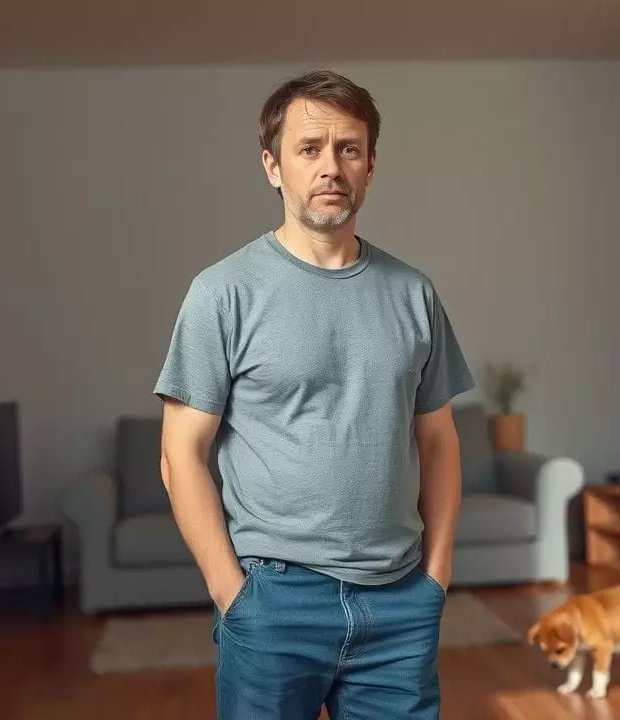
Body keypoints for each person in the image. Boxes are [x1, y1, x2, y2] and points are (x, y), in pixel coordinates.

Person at [154, 69, 474, 719]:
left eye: (348, 149)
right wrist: (230, 592)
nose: (331, 166)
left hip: (399, 602)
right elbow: (179, 454)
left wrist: (435, 578)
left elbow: (439, 442)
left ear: (371, 165)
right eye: (309, 149)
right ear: (273, 166)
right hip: (273, 601)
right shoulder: (222, 293)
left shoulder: (414, 294)